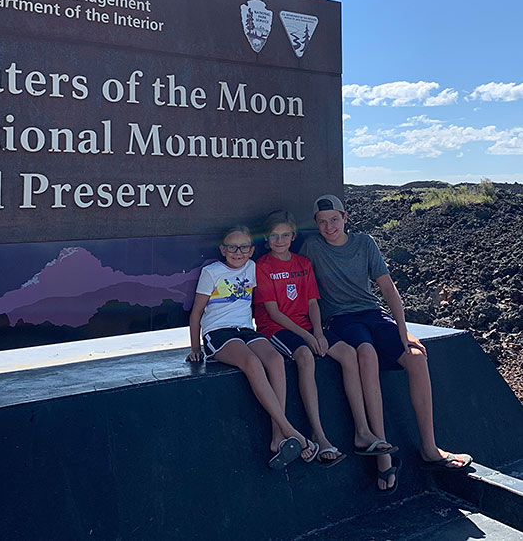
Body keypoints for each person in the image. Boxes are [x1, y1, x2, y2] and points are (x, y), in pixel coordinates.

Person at [301, 194, 473, 494]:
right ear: (316, 224)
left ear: (345, 217)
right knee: (365, 353)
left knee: (417, 357)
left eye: (334, 220)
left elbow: (387, 288)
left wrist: (403, 331)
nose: (329, 227)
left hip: (373, 314)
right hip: (340, 319)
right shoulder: (312, 248)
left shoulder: (365, 243)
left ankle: (430, 448)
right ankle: (381, 454)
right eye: (322, 222)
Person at [254, 210, 396, 469]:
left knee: (348, 354)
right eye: (274, 236)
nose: (280, 240)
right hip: (276, 328)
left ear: (293, 236)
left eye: (285, 235)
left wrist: (318, 332)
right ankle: (318, 434)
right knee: (306, 356)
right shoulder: (262, 266)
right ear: (266, 238)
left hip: (308, 326)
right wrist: (308, 337)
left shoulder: (302, 263)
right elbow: (273, 312)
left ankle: (362, 431)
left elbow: (312, 303)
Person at [187, 225, 318, 469]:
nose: (238, 252)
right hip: (219, 333)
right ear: (223, 250)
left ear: (252, 250)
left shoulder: (253, 268)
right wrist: (195, 347)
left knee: (276, 360)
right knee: (252, 363)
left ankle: (277, 436)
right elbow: (196, 314)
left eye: (244, 247)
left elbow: (277, 289)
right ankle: (291, 431)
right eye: (232, 247)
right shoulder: (212, 272)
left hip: (246, 330)